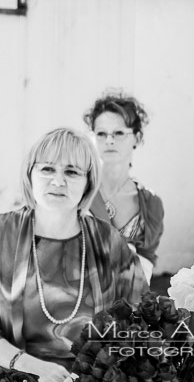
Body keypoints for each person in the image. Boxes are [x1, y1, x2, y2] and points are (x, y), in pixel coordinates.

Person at [0, 128, 146, 382]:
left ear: (88, 182)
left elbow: (140, 321)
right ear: (30, 174)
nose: (58, 181)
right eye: (47, 169)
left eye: (72, 172)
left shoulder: (110, 242)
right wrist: (32, 367)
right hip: (10, 370)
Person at [83, 90, 164, 281]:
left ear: (136, 137)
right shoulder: (78, 191)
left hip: (126, 302)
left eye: (119, 133)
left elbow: (146, 264)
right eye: (101, 133)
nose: (109, 140)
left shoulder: (151, 205)